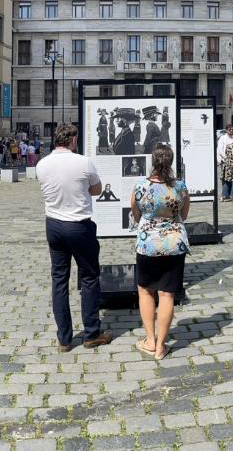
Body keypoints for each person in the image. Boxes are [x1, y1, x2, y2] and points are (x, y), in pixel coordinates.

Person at [35, 124, 112, 352]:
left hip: (54, 225)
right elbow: (97, 190)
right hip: (78, 225)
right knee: (89, 277)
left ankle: (64, 339)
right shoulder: (83, 162)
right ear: (73, 140)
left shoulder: (42, 164)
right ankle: (91, 333)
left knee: (59, 280)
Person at [130, 144, 189, 361]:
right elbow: (184, 214)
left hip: (147, 244)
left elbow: (136, 214)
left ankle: (150, 339)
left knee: (145, 290)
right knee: (167, 294)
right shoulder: (180, 187)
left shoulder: (140, 186)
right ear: (171, 162)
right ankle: (161, 346)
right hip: (174, 243)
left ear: (152, 161)